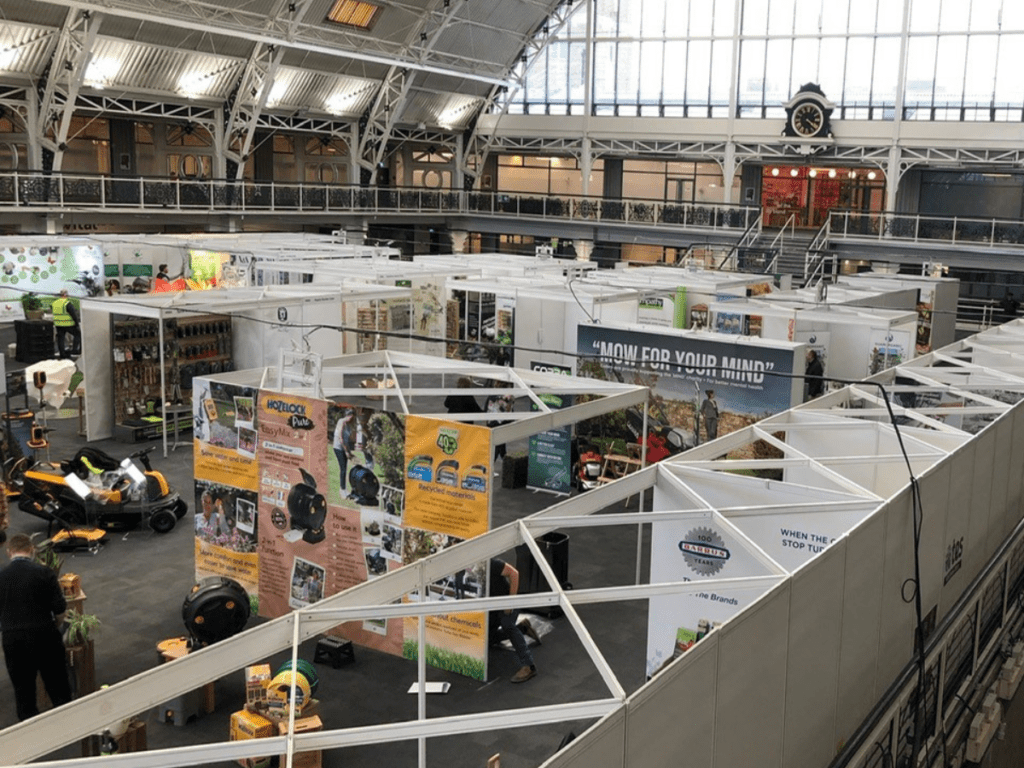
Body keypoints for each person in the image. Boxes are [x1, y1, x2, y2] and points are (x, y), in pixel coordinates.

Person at [0, 534, 72, 721]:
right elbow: (59, 608)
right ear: (32, 550)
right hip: (43, 634)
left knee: (23, 691)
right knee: (58, 685)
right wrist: (56, 625)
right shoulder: (44, 572)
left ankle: (31, 731)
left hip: (13, 639)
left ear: (9, 552)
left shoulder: (1, 577)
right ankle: (67, 724)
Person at [488, 559, 541, 683]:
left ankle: (529, 666)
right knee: (486, 639)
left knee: (507, 624)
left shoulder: (490, 563)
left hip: (508, 601)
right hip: (492, 606)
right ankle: (523, 628)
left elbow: (514, 573)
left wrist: (510, 602)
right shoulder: (466, 568)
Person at [51, 289, 81, 359]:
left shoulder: (55, 303)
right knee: (78, 335)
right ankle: (74, 350)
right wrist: (77, 324)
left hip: (58, 324)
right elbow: (74, 315)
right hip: (68, 324)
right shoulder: (67, 303)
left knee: (60, 338)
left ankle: (62, 354)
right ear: (65, 295)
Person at [333, 408, 356, 492]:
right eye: (351, 417)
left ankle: (345, 488)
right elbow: (341, 438)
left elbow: (348, 441)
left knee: (345, 468)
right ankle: (342, 489)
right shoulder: (341, 421)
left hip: (344, 448)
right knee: (343, 469)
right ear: (348, 416)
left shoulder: (349, 426)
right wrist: (346, 452)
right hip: (338, 447)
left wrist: (349, 452)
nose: (352, 419)